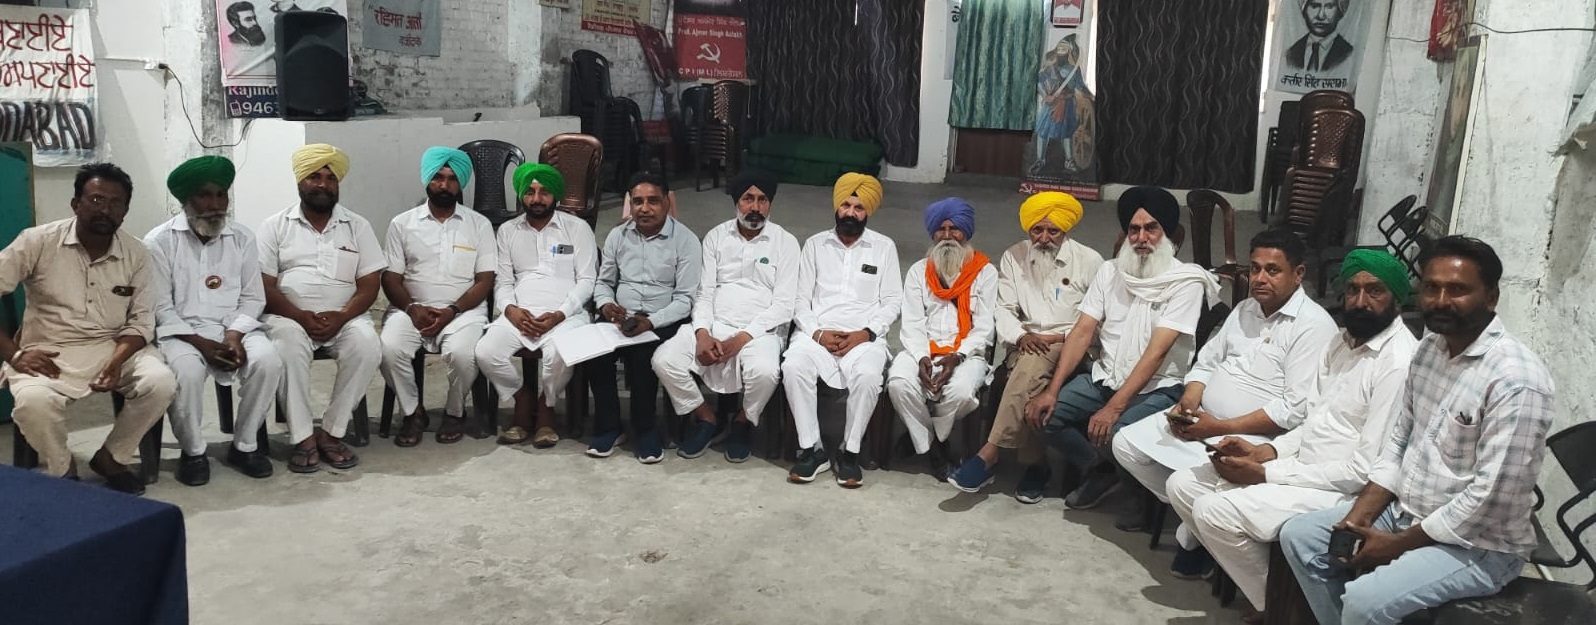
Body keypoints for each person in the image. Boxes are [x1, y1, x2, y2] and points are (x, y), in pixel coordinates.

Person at [1279, 237, 1555, 625]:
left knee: (1363, 600)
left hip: (1478, 544)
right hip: (1405, 512)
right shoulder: (1429, 351)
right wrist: (1358, 518)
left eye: (1457, 290)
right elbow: (1398, 443)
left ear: (1491, 297)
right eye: (1431, 287)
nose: (1441, 301)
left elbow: (1489, 499)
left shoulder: (1515, 381)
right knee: (1301, 537)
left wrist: (1397, 546)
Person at [1166, 250, 1418, 620]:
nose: (1360, 301)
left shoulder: (1397, 362)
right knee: (1183, 485)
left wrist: (1266, 473)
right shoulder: (1341, 344)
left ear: (1396, 299)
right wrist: (1263, 452)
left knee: (1213, 511)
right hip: (1299, 466)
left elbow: (1363, 471)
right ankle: (1281, 602)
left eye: (1374, 291)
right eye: (1353, 290)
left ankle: (1282, 610)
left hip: (1340, 489)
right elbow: (1311, 423)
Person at [1112, 228, 1338, 572]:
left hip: (1252, 437)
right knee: (1126, 445)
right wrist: (1189, 401)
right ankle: (1198, 522)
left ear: (1298, 274)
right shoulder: (1246, 308)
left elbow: (1294, 409)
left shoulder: (1313, 326)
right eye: (1255, 268)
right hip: (1203, 420)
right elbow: (1207, 361)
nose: (1260, 278)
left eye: (1272, 270)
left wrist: (1218, 426)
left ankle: (1198, 529)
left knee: (1188, 480)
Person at [1024, 186, 1217, 509]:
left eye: (1151, 228)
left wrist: (1114, 408)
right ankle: (1101, 470)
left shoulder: (1186, 282)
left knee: (1117, 435)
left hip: (1157, 387)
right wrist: (1052, 391)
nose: (1141, 238)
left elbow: (1157, 352)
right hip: (1105, 376)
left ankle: (1135, 491)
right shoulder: (1110, 271)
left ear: (1167, 234)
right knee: (1043, 415)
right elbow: (1082, 331)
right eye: (1134, 229)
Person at [0, 163, 176, 495]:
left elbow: (141, 322)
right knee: (34, 402)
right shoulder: (37, 242)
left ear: (125, 211)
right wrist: (15, 354)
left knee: (161, 382)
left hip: (113, 347)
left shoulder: (137, 253)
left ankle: (111, 458)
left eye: (116, 202)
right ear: (75, 203)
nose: (105, 210)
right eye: (96, 199)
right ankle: (63, 469)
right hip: (47, 350)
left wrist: (116, 362)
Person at [947, 191, 1103, 500]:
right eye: (1037, 230)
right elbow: (1004, 309)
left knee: (1030, 367)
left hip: (1071, 345)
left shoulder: (1089, 261)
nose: (1044, 238)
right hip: (1024, 342)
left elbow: (1099, 318)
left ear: (1065, 229)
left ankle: (990, 453)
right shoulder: (1013, 256)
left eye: (1053, 231)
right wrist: (1020, 336)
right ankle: (1036, 467)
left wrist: (1061, 337)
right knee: (1031, 368)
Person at [145, 155, 281, 485]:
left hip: (233, 326)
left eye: (221, 195)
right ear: (185, 201)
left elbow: (253, 298)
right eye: (204, 195)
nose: (215, 205)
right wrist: (202, 344)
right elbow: (161, 307)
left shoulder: (243, 238)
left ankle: (245, 445)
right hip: (182, 332)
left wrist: (233, 335)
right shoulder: (159, 241)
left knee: (268, 361)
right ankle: (192, 452)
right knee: (187, 373)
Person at [653, 171, 800, 462]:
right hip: (715, 322)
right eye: (748, 199)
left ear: (770, 204)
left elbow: (784, 304)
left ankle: (743, 420)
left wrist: (742, 338)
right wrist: (703, 333)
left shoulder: (785, 242)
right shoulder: (716, 237)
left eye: (762, 200)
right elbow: (704, 292)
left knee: (766, 372)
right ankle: (706, 417)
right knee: (664, 359)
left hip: (760, 331)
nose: (755, 207)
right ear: (736, 202)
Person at [259, 144, 386, 474]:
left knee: (368, 345)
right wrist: (299, 315)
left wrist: (343, 316)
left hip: (345, 316)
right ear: (300, 181)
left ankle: (331, 433)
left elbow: (370, 283)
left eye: (330, 178)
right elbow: (264, 285)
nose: (323, 184)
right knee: (286, 347)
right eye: (314, 176)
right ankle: (303, 437)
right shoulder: (275, 226)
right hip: (288, 316)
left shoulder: (357, 225)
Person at [782, 173, 902, 487]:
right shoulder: (815, 245)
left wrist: (866, 333)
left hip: (863, 338)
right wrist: (818, 334)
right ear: (836, 207)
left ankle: (850, 451)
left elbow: (892, 301)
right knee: (793, 367)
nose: (850, 213)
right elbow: (800, 299)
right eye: (846, 205)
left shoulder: (884, 247)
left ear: (868, 211)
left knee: (868, 375)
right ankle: (812, 449)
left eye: (858, 208)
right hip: (817, 334)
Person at [379, 147, 495, 447]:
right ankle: (412, 411)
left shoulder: (479, 224)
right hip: (410, 310)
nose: (444, 185)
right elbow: (390, 278)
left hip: (463, 312)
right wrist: (411, 308)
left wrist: (452, 311)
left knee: (464, 354)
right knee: (387, 349)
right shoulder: (402, 224)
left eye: (452, 179)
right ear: (427, 180)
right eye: (438, 178)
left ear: (461, 184)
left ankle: (455, 412)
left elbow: (485, 280)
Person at [473, 163, 595, 448]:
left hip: (566, 314)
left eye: (544, 192)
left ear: (556, 196)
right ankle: (522, 398)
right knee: (485, 352)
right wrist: (510, 310)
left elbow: (587, 279)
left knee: (560, 353)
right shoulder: (507, 231)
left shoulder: (577, 228)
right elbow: (503, 281)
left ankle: (546, 405)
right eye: (529, 192)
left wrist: (560, 314)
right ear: (521, 195)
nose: (537, 199)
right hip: (521, 313)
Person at [584, 172, 701, 463]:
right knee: (595, 354)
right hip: (620, 318)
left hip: (663, 319)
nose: (644, 209)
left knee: (643, 357)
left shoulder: (685, 240)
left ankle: (645, 429)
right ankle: (609, 426)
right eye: (637, 202)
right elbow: (604, 282)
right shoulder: (618, 235)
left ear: (666, 203)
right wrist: (606, 305)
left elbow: (685, 299)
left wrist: (651, 322)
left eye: (653, 201)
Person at [885, 198, 998, 482]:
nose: (947, 235)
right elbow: (911, 323)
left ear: (966, 231)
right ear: (932, 233)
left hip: (967, 353)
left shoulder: (985, 272)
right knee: (898, 383)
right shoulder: (918, 271)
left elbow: (985, 327)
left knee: (961, 392)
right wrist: (922, 357)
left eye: (954, 228)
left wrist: (957, 357)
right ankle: (934, 448)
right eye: (941, 229)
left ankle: (924, 435)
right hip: (922, 349)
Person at [1285, 0, 1355, 72]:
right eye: (1314, 6)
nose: (1321, 16)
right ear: (1304, 10)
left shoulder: (1349, 53)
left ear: (1340, 11)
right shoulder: (1291, 53)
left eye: (1329, 6)